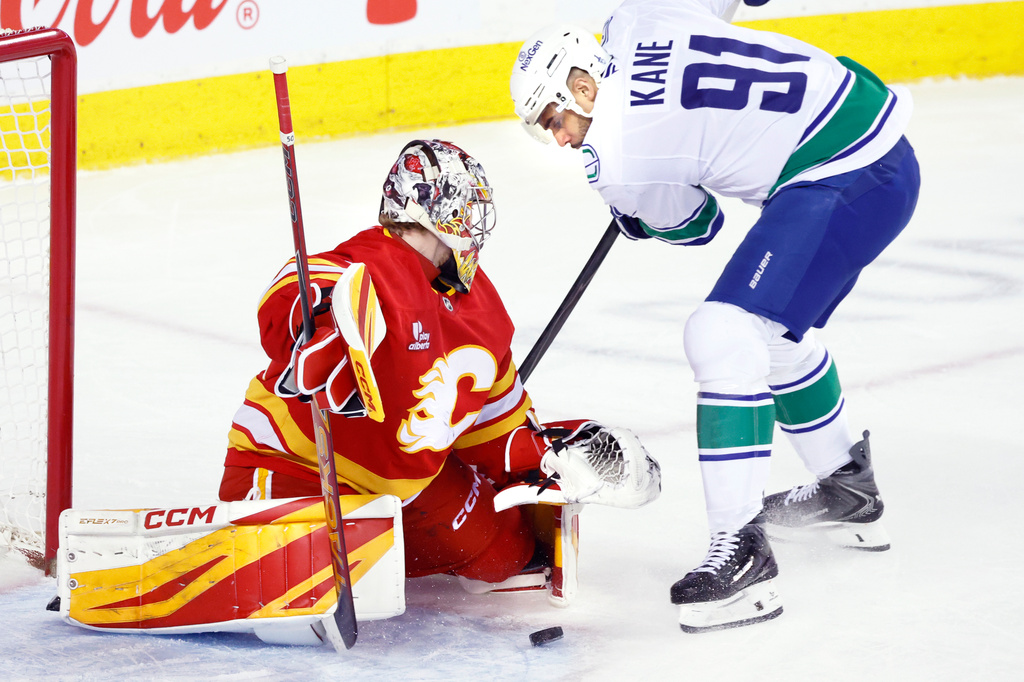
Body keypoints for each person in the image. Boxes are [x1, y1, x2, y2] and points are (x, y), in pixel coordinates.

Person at [509, 0, 920, 632]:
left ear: (584, 85)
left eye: (556, 119)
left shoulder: (618, 157)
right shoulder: (637, 20)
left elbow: (701, 225)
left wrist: (637, 214)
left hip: (845, 173)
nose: (560, 139)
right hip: (868, 137)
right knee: (772, 335)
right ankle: (846, 486)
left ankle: (741, 555)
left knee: (723, 333)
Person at [219, 138, 661, 592]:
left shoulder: (483, 308)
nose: (475, 225)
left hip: (406, 488)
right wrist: (317, 313)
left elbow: (495, 428)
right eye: (469, 209)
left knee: (507, 553)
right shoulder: (372, 265)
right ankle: (264, 515)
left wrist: (550, 453)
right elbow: (299, 287)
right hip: (302, 466)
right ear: (438, 210)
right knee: (290, 567)